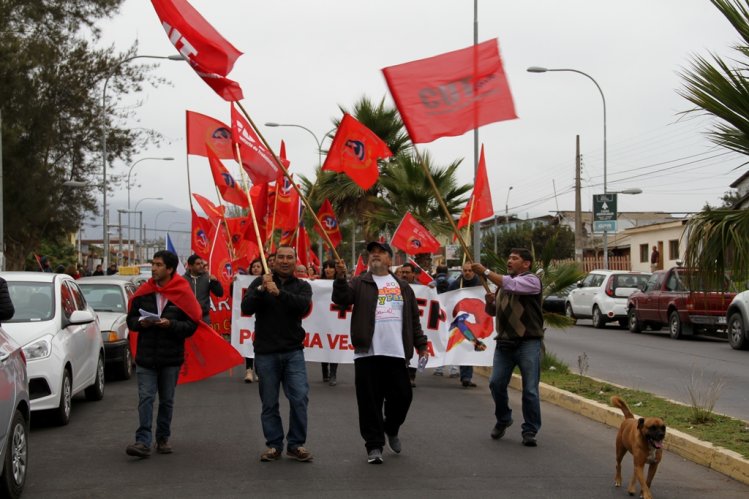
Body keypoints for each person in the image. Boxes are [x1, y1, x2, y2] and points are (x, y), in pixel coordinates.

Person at [332, 241, 428, 464]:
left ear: (390, 260)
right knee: (369, 402)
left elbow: (414, 320)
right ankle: (374, 446)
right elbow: (341, 299)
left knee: (404, 396)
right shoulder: (359, 282)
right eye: (371, 253)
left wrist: (421, 345)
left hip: (396, 353)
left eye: (380, 253)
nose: (374, 255)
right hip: (367, 354)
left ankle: (391, 428)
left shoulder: (403, 287)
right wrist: (339, 278)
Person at [241, 246, 314, 462]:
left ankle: (296, 444)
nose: (284, 261)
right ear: (272, 261)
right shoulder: (259, 283)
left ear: (295, 260)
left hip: (293, 352)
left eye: (289, 257)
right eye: (280, 257)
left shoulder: (302, 286)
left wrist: (279, 293)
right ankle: (274, 445)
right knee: (269, 402)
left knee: (300, 398)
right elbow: (246, 306)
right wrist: (262, 289)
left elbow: (302, 306)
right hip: (266, 353)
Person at [125, 250, 198, 458]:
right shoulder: (144, 291)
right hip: (146, 356)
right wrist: (141, 322)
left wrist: (170, 324)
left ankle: (163, 438)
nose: (154, 268)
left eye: (158, 265)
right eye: (153, 264)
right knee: (146, 397)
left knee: (166, 400)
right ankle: (142, 441)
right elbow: (130, 320)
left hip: (171, 357)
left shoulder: (182, 293)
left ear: (170, 269)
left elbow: (191, 324)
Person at [471, 248, 544, 448]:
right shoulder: (501, 286)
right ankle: (504, 418)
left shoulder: (531, 281)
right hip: (504, 343)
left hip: (528, 342)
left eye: (515, 258)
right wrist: (489, 303)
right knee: (496, 384)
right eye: (509, 257)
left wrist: (484, 271)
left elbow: (512, 285)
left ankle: (530, 430)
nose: (509, 261)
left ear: (526, 263)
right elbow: (495, 311)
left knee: (530, 389)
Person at [448, 262, 482, 388]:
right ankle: (464, 376)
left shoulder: (480, 284)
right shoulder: (456, 284)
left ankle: (466, 377)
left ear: (474, 272)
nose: (467, 272)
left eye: (469, 270)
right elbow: (447, 298)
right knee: (462, 347)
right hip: (460, 321)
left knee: (470, 347)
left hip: (475, 321)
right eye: (465, 270)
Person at [182, 254, 224, 324]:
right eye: (198, 264)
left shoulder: (208, 278)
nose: (201, 266)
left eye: (201, 263)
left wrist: (215, 282)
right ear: (190, 266)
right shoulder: (183, 280)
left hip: (204, 318)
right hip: (187, 318)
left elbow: (219, 293)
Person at [243, 257, 264, 383]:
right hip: (246, 318)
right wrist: (234, 282)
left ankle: (259, 370)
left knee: (259, 344)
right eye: (254, 266)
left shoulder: (268, 281)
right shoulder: (243, 280)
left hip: (260, 318)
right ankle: (249, 370)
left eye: (258, 266)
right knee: (246, 343)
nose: (255, 268)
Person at [399, 262, 419, 388]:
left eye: (407, 272)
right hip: (399, 325)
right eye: (403, 272)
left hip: (412, 324)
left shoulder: (421, 288)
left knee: (412, 348)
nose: (405, 275)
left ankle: (411, 376)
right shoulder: (394, 287)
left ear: (413, 274)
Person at [319, 260, 339, 386]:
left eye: (331, 267)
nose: (328, 269)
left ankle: (333, 373)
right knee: (322, 344)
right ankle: (324, 370)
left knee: (334, 345)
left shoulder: (341, 283)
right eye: (325, 267)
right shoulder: (318, 282)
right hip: (322, 318)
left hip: (336, 319)